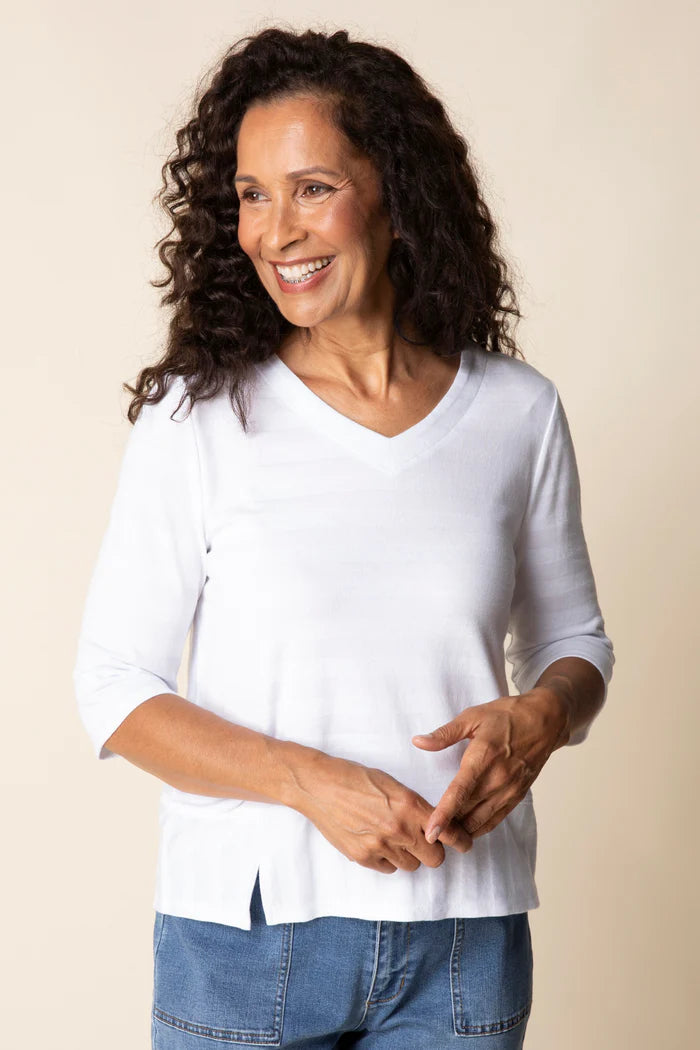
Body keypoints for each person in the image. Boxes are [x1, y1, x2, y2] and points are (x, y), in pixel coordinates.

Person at [73, 26, 615, 1050]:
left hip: (462, 935)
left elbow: (577, 644)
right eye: (250, 195)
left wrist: (542, 716)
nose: (277, 230)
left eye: (312, 187)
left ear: (394, 192)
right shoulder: (199, 418)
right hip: (244, 935)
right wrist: (309, 783)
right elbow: (113, 686)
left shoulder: (515, 413)